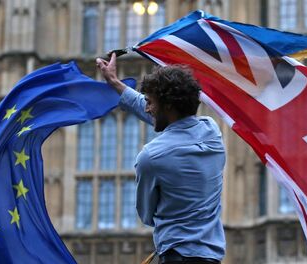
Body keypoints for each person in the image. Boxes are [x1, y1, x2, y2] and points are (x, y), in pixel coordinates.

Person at [96, 53, 226, 264]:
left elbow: (146, 215)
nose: (147, 108)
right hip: (211, 258)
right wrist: (115, 83)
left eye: (150, 102)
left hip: (176, 257)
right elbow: (167, 117)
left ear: (167, 106)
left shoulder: (151, 157)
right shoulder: (212, 133)